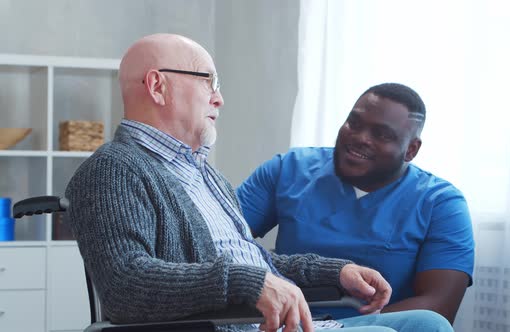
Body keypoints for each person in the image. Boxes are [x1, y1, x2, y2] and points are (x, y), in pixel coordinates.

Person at [64, 34, 444, 332]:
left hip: (266, 324)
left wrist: (335, 272)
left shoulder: (205, 174)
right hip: (227, 328)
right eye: (209, 81)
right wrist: (248, 283)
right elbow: (126, 285)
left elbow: (255, 260)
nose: (220, 98)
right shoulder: (114, 169)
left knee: (429, 325)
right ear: (157, 86)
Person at [237, 83, 475, 327]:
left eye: (381, 134)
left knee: (430, 324)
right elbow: (216, 237)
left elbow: (440, 305)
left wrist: (349, 326)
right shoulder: (287, 170)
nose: (360, 138)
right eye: (354, 123)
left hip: (376, 323)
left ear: (411, 150)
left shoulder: (441, 203)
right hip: (289, 321)